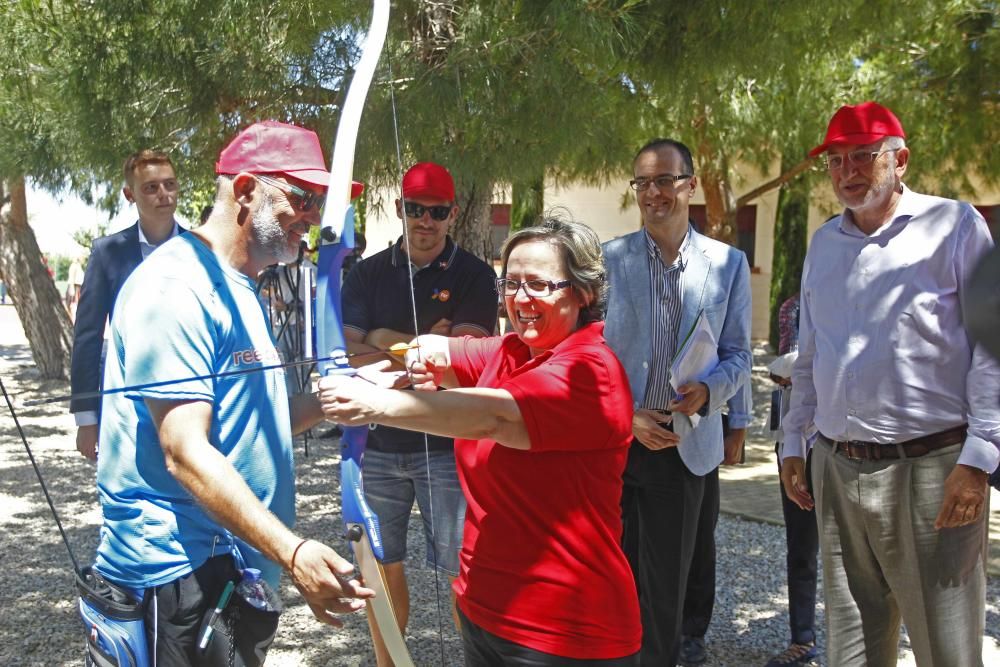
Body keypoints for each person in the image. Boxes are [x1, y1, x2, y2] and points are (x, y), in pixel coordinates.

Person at [93, 120, 373, 665]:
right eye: (302, 197)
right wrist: (293, 553)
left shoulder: (242, 285)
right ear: (245, 191)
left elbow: (255, 423)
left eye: (319, 201)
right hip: (177, 574)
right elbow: (185, 452)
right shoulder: (175, 287)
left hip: (235, 566)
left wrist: (361, 392)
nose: (314, 217)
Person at [320, 215, 641, 666]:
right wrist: (415, 352)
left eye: (539, 285)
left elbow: (493, 416)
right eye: (510, 283)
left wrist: (374, 404)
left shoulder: (590, 371)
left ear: (583, 292)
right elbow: (444, 354)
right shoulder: (511, 350)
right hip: (484, 611)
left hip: (563, 630)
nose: (521, 298)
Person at [781, 101, 1000, 667]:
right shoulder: (824, 244)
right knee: (851, 649)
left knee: (946, 650)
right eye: (835, 160)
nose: (848, 171)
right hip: (835, 463)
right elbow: (812, 354)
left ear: (900, 160)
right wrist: (792, 440)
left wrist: (978, 459)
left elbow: (990, 348)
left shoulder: (955, 226)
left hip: (933, 469)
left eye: (863, 156)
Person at [340, 161, 498, 665]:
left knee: (463, 571)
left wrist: (380, 340)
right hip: (379, 444)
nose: (425, 221)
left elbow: (461, 362)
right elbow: (348, 354)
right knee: (381, 567)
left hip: (448, 447)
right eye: (415, 209)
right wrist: (422, 346)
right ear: (398, 209)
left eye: (437, 211)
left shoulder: (474, 275)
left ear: (453, 214)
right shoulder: (365, 273)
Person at [603, 138, 752, 666]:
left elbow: (738, 355)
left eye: (665, 180)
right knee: (615, 576)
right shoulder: (609, 261)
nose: (654, 192)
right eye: (643, 182)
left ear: (690, 183)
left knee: (667, 586)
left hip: (684, 440)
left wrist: (714, 394)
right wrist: (625, 415)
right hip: (620, 441)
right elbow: (589, 357)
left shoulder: (728, 264)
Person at [69, 149, 185, 461]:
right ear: (129, 194)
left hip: (193, 401)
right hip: (126, 404)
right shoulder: (108, 253)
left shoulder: (202, 250)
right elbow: (87, 337)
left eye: (170, 184)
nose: (163, 194)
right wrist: (86, 419)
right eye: (151, 187)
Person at [763, 291, 820, 667]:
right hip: (797, 443)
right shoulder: (795, 307)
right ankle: (803, 638)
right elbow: (783, 367)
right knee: (802, 547)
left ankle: (866, 642)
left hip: (852, 446)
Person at [678, 381, 752, 667]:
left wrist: (739, 427)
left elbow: (737, 355)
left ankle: (691, 631)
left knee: (699, 538)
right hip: (642, 428)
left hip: (702, 430)